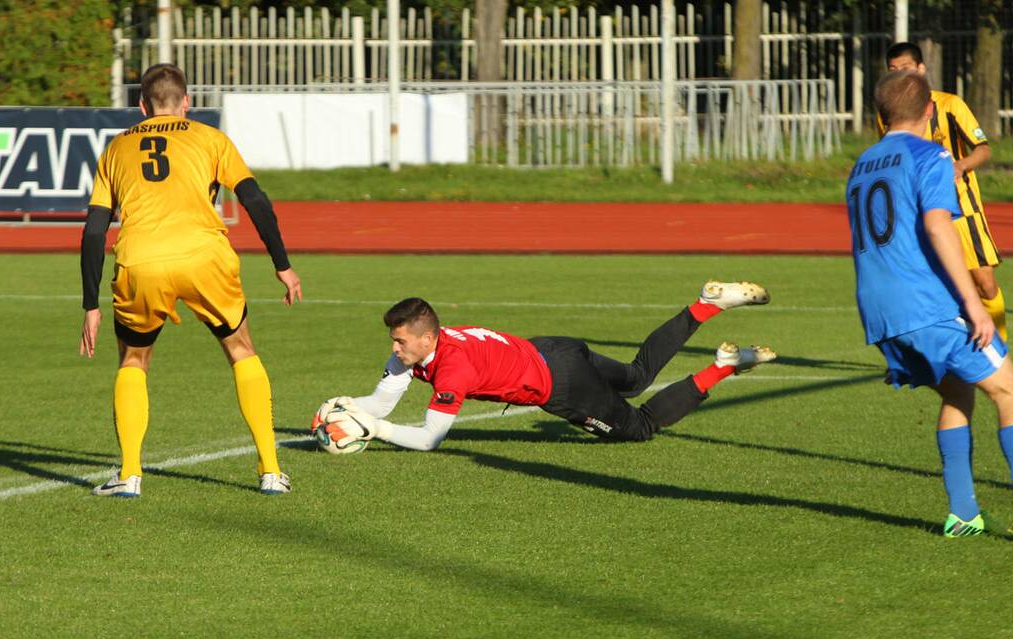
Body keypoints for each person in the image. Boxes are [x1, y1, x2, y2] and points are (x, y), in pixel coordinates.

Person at [79, 63, 301, 497]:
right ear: (186, 103)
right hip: (205, 257)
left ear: (141, 106)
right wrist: (282, 263)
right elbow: (253, 197)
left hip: (142, 261)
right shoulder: (210, 137)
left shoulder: (115, 150)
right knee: (241, 351)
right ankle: (271, 471)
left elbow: (93, 230)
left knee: (133, 362)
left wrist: (90, 304)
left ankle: (129, 475)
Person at [311, 281, 775, 451]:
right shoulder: (422, 348)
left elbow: (429, 439)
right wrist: (354, 408)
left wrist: (374, 430)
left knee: (640, 426)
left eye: (400, 339)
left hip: (562, 384)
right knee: (635, 377)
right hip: (555, 349)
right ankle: (704, 306)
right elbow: (383, 403)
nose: (394, 347)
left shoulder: (452, 369)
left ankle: (724, 366)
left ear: (427, 337)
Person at [851, 69, 1013, 537]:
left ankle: (963, 513)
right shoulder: (931, 154)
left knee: (958, 393)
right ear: (929, 110)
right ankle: (964, 511)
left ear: (879, 116)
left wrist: (893, 329)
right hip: (931, 305)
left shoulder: (862, 164)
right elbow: (940, 227)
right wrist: (975, 304)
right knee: (1007, 390)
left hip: (882, 312)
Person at [879, 42, 1006, 341]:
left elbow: (983, 149)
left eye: (906, 69)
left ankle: (1000, 348)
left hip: (964, 210)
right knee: (934, 283)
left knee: (985, 283)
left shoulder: (950, 105)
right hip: (921, 211)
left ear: (922, 69)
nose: (900, 76)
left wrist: (960, 166)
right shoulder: (887, 113)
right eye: (893, 71)